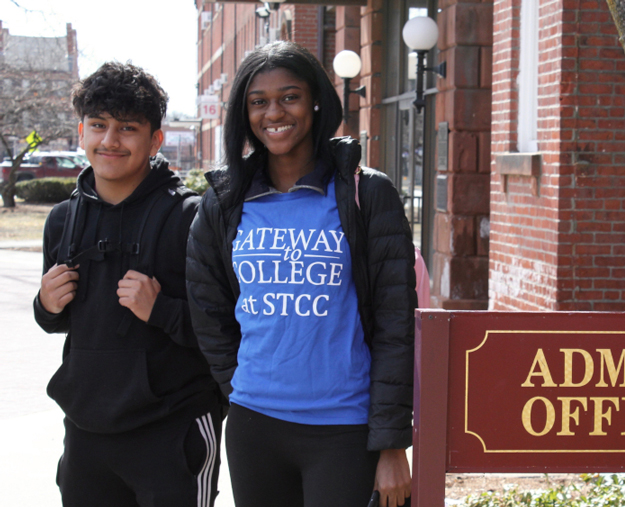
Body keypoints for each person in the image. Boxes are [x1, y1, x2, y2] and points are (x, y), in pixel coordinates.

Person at [185, 41, 416, 507]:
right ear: (244, 113)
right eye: (259, 101)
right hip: (254, 426)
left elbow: (396, 324)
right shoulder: (226, 200)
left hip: (343, 428)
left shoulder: (365, 194)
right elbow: (207, 307)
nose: (274, 112)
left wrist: (391, 442)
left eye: (289, 96)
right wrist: (239, 383)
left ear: (314, 101)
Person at [34, 62, 224, 507]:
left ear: (155, 139)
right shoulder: (63, 220)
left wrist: (161, 310)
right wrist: (46, 306)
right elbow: (61, 323)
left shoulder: (191, 219)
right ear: (81, 130)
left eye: (127, 128)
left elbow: (226, 331)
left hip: (172, 429)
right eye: (98, 126)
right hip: (86, 432)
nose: (109, 141)